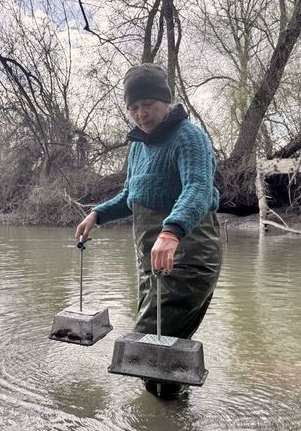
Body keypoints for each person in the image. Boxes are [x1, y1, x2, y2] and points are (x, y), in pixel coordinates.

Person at [74, 63, 221, 399]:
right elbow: (131, 195)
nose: (141, 114)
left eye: (148, 105)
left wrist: (171, 232)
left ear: (166, 101)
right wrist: (97, 214)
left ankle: (166, 409)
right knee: (160, 358)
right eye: (134, 108)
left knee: (147, 351)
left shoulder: (189, 137)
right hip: (151, 265)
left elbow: (198, 188)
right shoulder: (139, 145)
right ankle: (173, 410)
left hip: (189, 257)